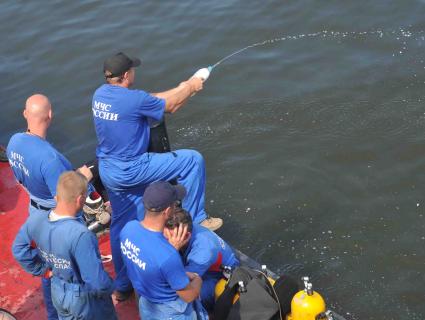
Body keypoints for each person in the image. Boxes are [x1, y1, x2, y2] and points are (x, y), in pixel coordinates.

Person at [92, 52, 222, 299]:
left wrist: (184, 87)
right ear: (128, 75)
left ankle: (122, 287)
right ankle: (197, 220)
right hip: (133, 167)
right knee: (192, 161)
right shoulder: (133, 100)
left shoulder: (101, 94)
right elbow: (170, 106)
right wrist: (193, 86)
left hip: (109, 170)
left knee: (120, 224)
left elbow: (152, 101)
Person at [6, 94, 93, 320]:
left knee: (49, 269)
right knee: (70, 271)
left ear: (25, 114)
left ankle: (53, 313)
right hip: (54, 218)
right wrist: (83, 178)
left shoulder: (14, 142)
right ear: (50, 116)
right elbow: (64, 200)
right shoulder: (51, 159)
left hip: (34, 209)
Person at [12, 171, 117, 320]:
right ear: (80, 199)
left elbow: (18, 250)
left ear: (57, 196)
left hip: (58, 290)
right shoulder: (81, 235)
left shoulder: (36, 220)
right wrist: (112, 287)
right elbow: (96, 282)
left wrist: (43, 271)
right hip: (84, 299)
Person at [120, 181, 208, 319]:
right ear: (167, 211)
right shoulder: (168, 255)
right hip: (171, 313)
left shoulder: (128, 229)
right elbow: (189, 296)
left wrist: (171, 252)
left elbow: (150, 263)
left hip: (147, 305)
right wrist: (197, 279)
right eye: (175, 204)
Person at [165, 209, 240, 312]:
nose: (167, 242)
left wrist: (172, 251)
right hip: (199, 265)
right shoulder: (183, 227)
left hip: (218, 276)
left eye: (170, 238)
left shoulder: (203, 252)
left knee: (188, 299)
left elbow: (183, 282)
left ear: (186, 236)